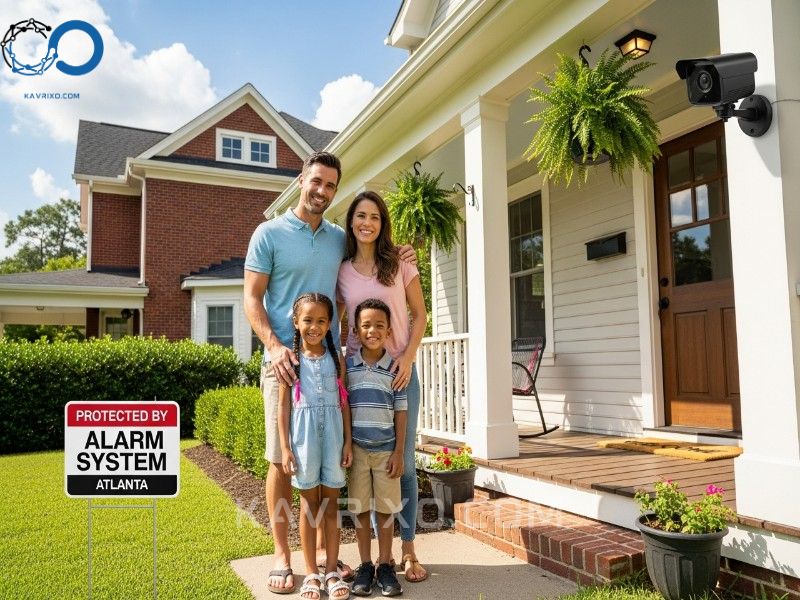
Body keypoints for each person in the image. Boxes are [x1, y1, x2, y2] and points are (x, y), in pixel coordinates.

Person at [244, 152, 416, 594]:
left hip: (332, 368)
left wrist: (403, 252)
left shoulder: (339, 238)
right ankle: (282, 556)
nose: (322, 191)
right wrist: (274, 346)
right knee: (282, 461)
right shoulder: (269, 233)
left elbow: (370, 250)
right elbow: (252, 298)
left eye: (330, 185)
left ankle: (327, 557)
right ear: (301, 179)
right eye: (316, 181)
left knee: (331, 466)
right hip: (285, 364)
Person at [336, 191, 428, 584]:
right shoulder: (342, 271)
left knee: (400, 461)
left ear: (382, 222)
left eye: (374, 216)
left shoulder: (401, 262)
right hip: (360, 379)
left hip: (400, 374)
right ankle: (375, 558)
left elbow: (420, 315)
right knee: (365, 466)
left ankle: (407, 549)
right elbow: (336, 320)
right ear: (351, 222)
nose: (367, 223)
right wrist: (336, 366)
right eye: (361, 215)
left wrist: (407, 358)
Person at [277, 293, 352, 600]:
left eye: (322, 320)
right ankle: (310, 572)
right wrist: (285, 448)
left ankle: (331, 570)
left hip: (333, 437)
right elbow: (283, 408)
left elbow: (344, 404)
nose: (314, 326)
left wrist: (348, 442)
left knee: (331, 505)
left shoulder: (337, 360)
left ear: (330, 324)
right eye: (308, 320)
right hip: (304, 440)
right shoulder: (291, 362)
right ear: (296, 322)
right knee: (309, 505)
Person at [346, 299, 406, 597]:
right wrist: (346, 444)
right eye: (366, 325)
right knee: (360, 508)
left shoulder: (395, 367)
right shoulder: (348, 367)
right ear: (356, 331)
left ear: (389, 330)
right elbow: (344, 407)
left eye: (379, 325)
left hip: (386, 452)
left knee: (385, 510)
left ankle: (384, 565)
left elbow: (401, 411)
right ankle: (365, 565)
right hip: (358, 450)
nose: (373, 331)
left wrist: (399, 452)